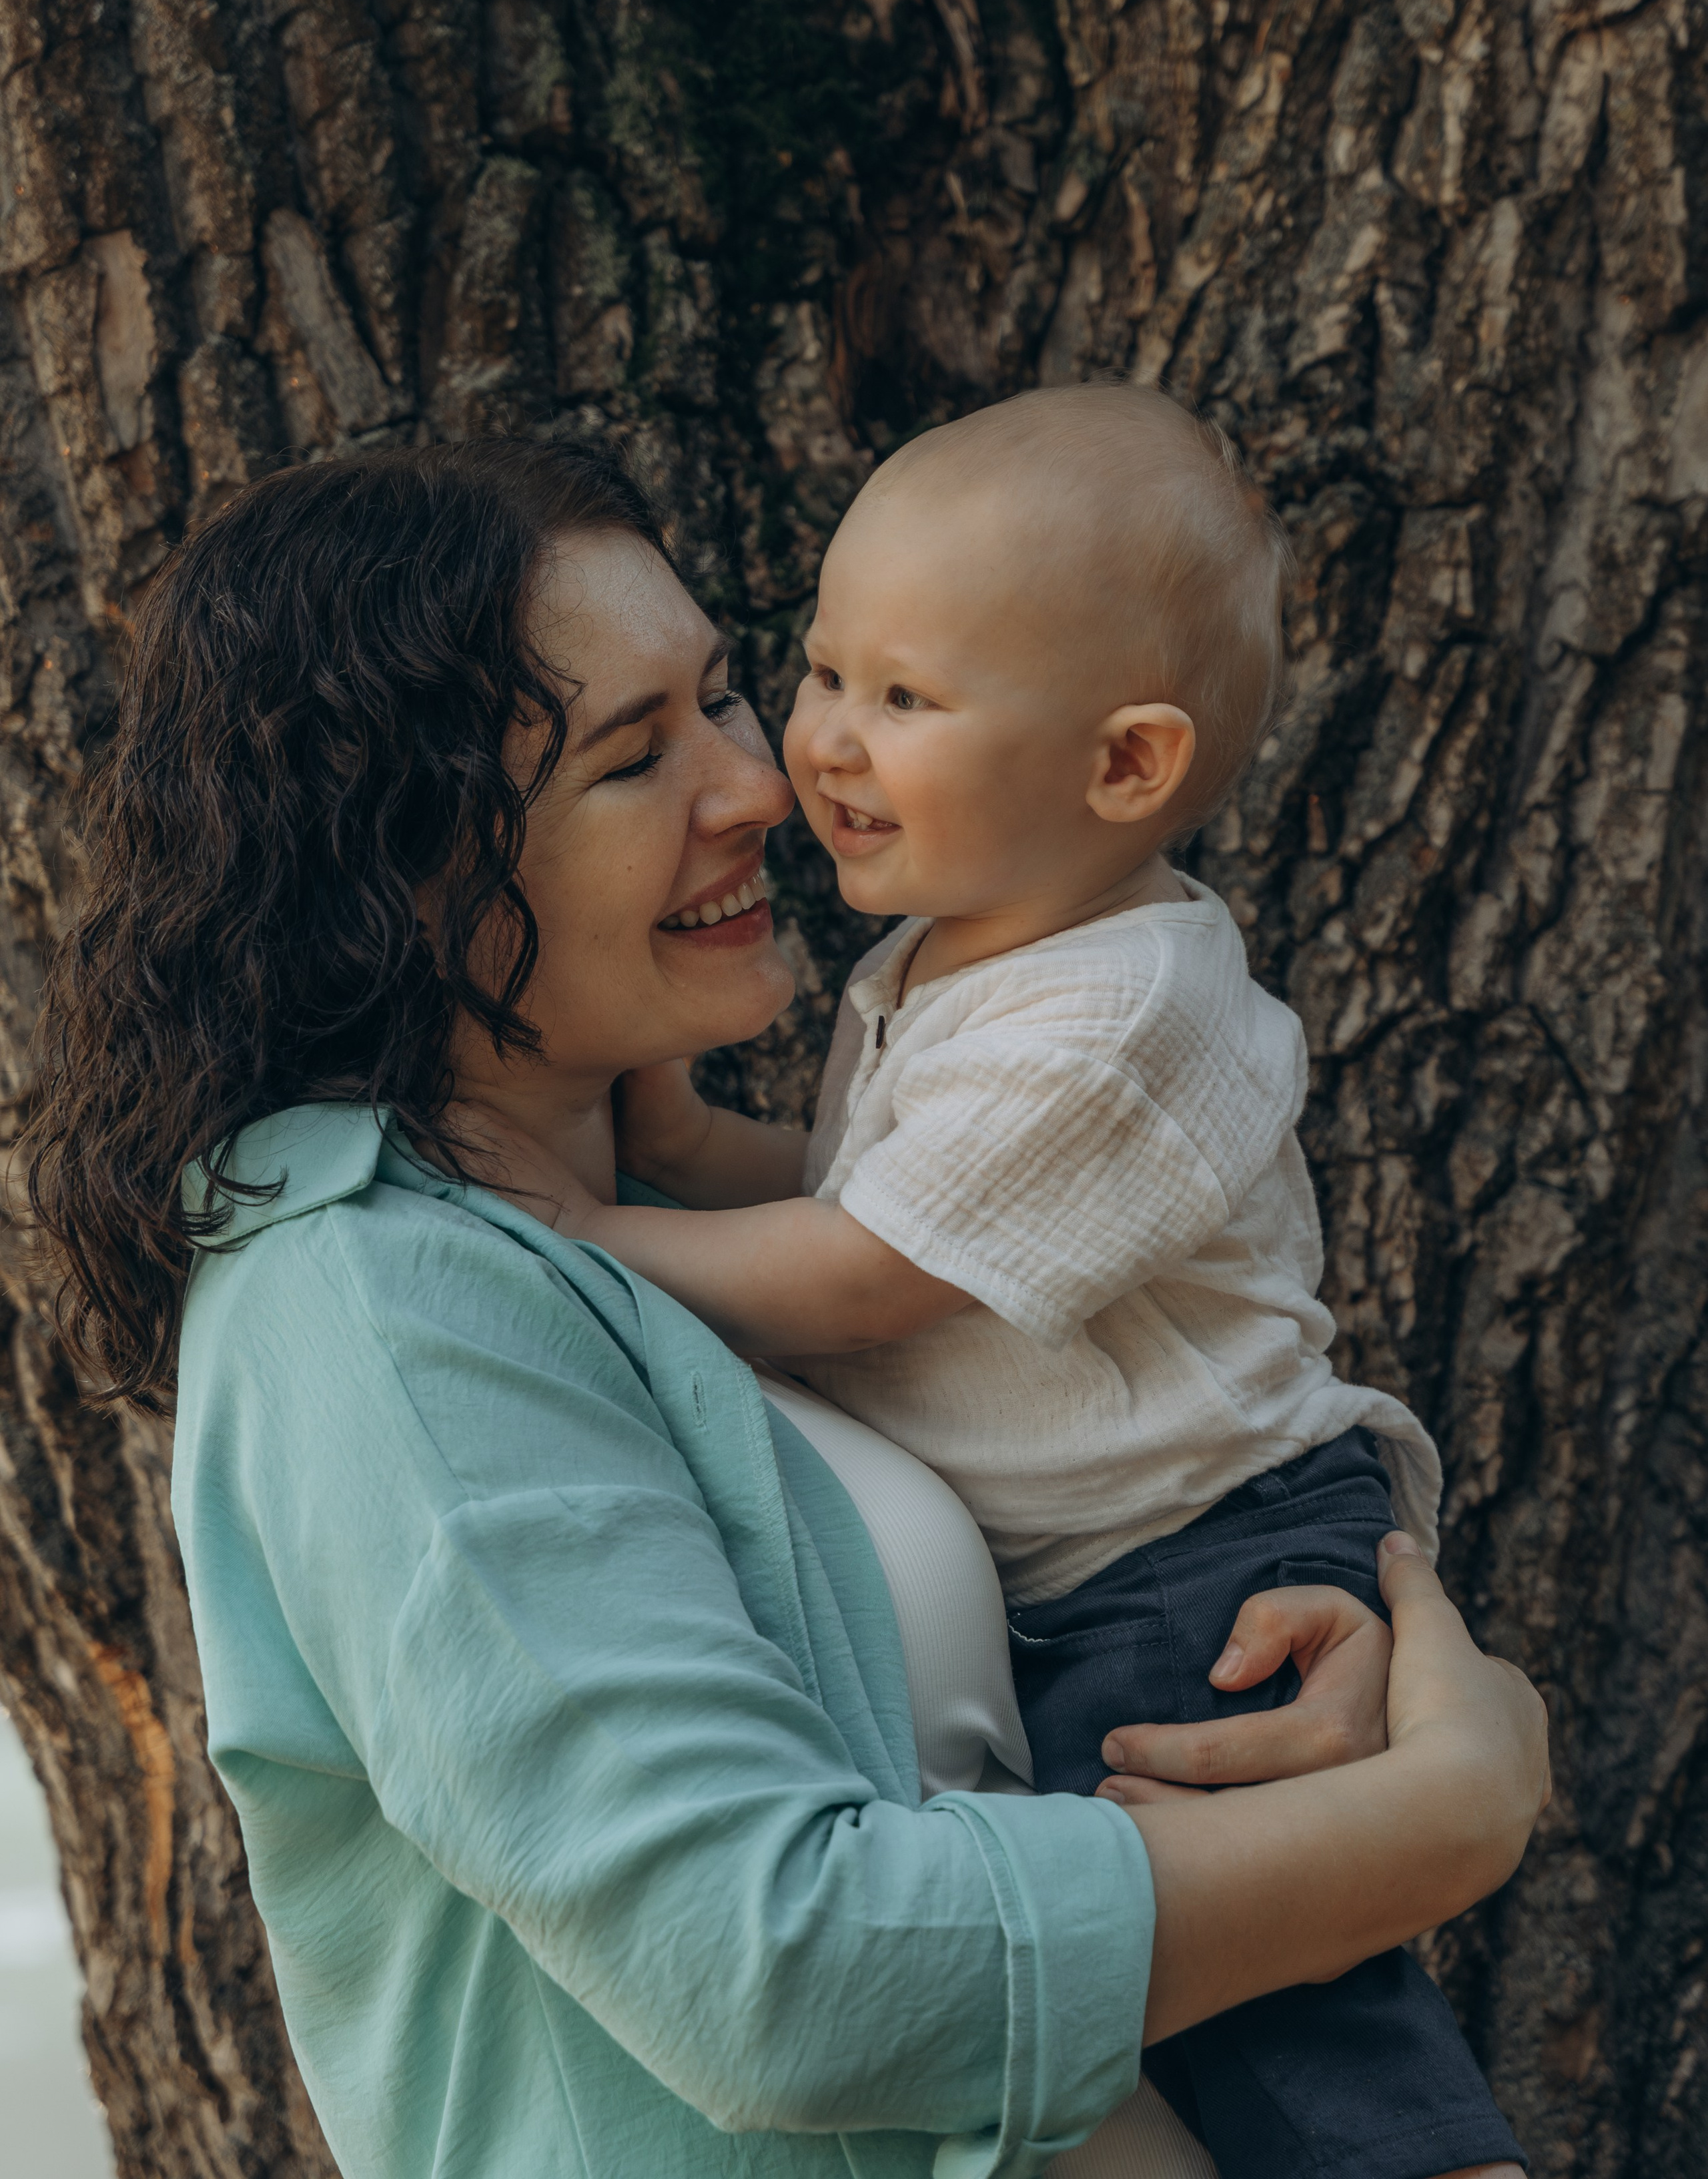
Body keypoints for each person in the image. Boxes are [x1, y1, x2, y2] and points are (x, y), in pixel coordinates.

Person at [23, 438, 1549, 2179]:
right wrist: (1436, 1818)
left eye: (728, 694)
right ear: (408, 864)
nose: (760, 784)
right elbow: (776, 1970)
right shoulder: (375, 1294)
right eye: (633, 756)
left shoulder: (664, 1228)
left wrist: (1262, 1646)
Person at [555, 386, 1525, 2178]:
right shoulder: (967, 952)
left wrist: (585, 1240)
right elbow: (875, 1207)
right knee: (1137, 1995)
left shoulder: (1115, 1015)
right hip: (1108, 1557)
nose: (820, 748)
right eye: (828, 672)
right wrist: (693, 1156)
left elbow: (864, 1276)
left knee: (1274, 1999)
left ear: (1126, 767)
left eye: (905, 699)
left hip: (1195, 1556)